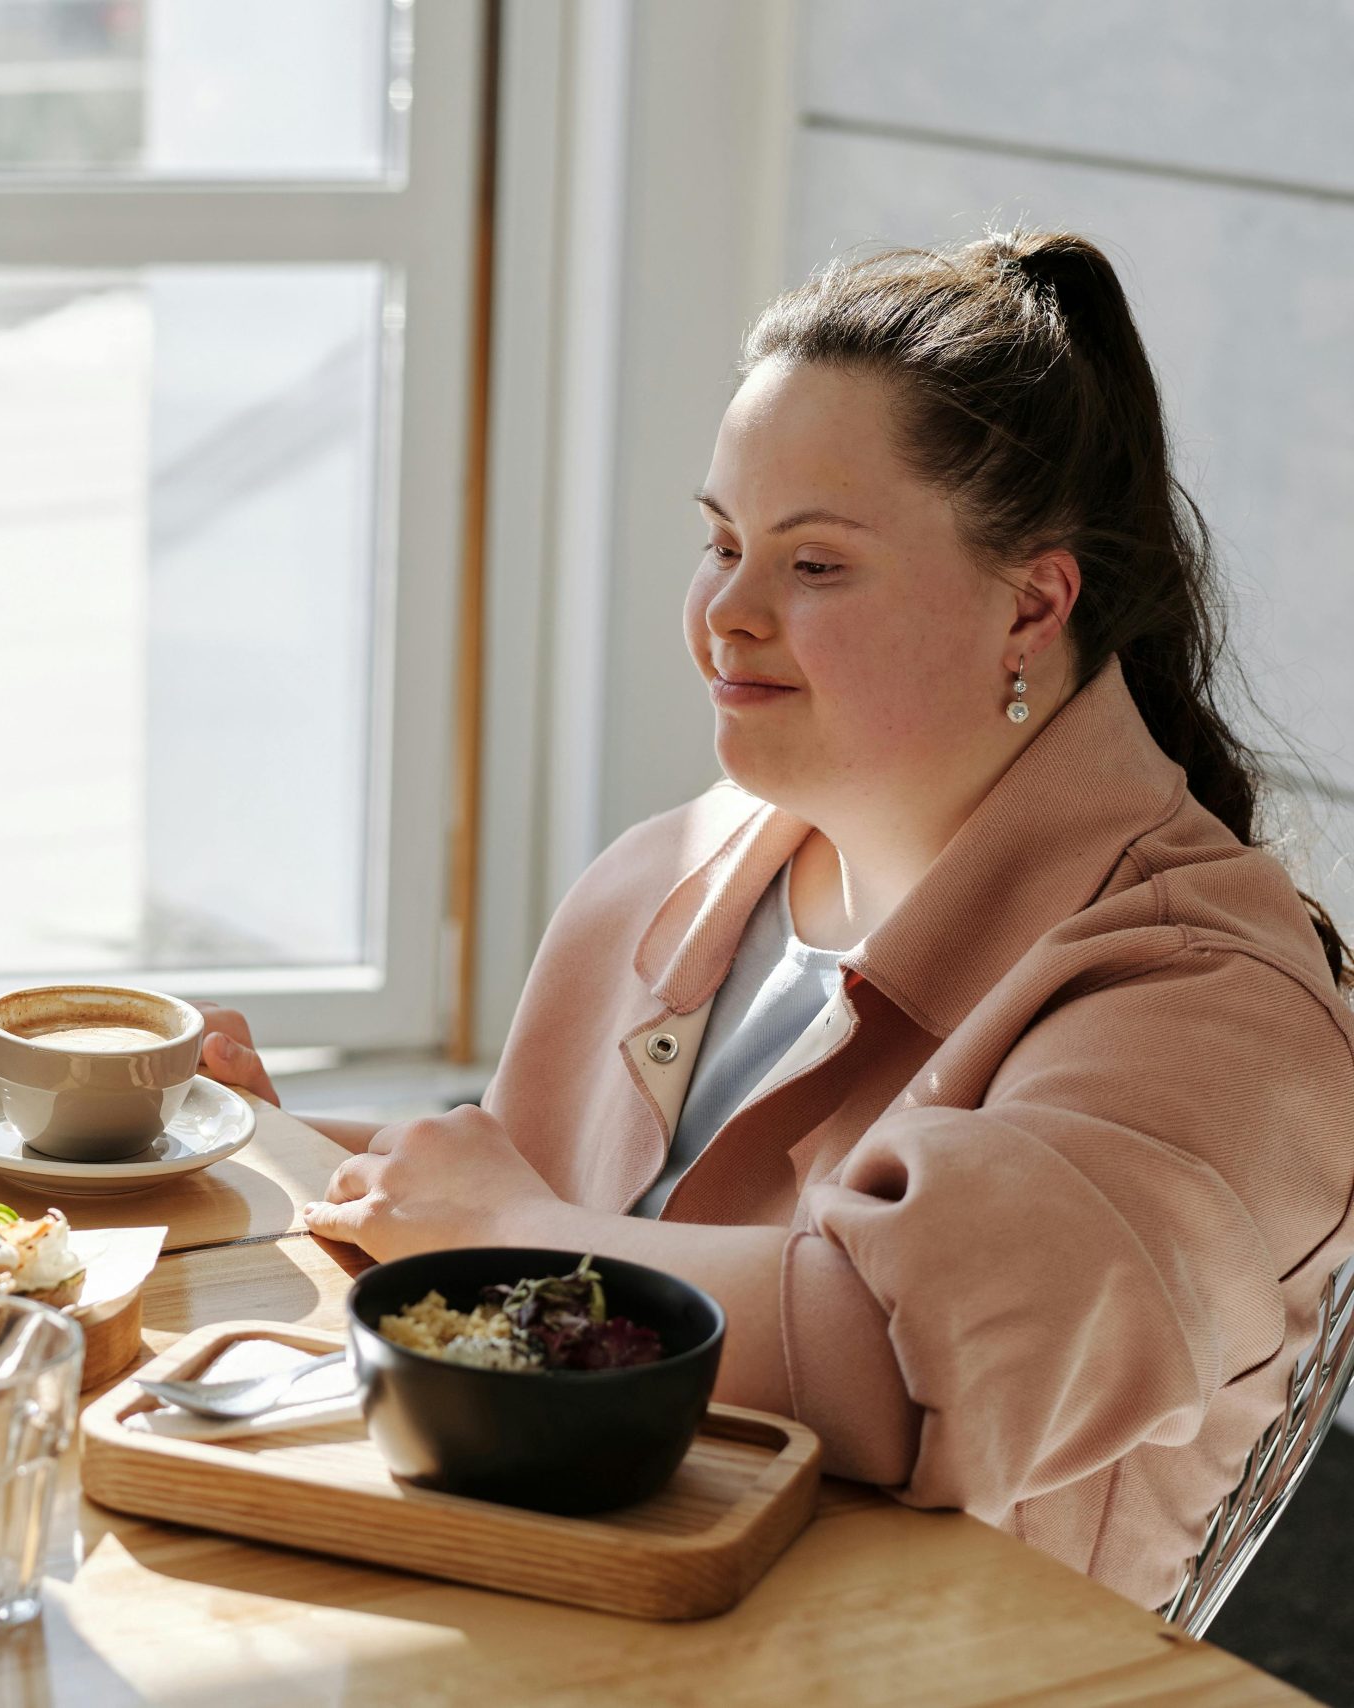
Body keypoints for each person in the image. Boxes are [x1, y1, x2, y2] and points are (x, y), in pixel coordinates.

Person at [202, 229, 1354, 1608]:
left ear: (1032, 607)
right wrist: (257, 1147)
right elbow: (552, 1230)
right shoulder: (673, 871)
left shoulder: (1210, 1011)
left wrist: (497, 1231)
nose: (725, 617)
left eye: (815, 567)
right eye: (723, 542)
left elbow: (893, 1363)